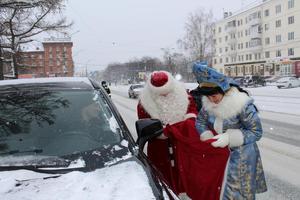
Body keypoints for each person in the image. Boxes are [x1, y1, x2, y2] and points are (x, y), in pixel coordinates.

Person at [137, 70, 230, 200]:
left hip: (183, 142)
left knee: (188, 174)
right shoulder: (144, 103)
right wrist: (161, 133)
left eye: (167, 91)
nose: (164, 94)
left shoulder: (183, 95)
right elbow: (145, 124)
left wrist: (184, 124)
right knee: (163, 180)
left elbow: (192, 112)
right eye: (160, 93)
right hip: (159, 148)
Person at [193, 62, 267, 200]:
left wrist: (229, 138)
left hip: (242, 156)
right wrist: (206, 134)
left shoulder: (241, 104)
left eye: (214, 96)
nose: (211, 100)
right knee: (220, 189)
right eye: (208, 97)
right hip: (219, 155)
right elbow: (200, 121)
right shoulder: (208, 103)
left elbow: (256, 132)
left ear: (224, 90)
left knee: (238, 193)